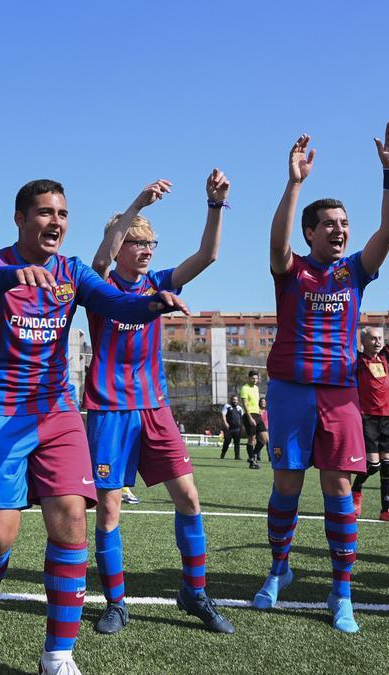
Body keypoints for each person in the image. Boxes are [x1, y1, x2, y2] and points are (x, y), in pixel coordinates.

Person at [0, 178, 188, 674]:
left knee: (71, 524)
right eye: (44, 213)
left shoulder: (73, 271)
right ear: (19, 219)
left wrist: (153, 303)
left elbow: (115, 302)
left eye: (61, 214)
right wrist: (17, 277)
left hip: (56, 411)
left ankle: (57, 654)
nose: (55, 222)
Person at [253, 124, 389, 634]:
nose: (340, 230)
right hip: (290, 392)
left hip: (341, 395)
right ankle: (279, 569)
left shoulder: (354, 274)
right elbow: (275, 240)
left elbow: (388, 232)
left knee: (339, 487)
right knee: (286, 486)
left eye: (344, 223)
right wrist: (293, 181)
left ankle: (341, 591)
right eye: (330, 224)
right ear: (311, 233)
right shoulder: (291, 269)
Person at [83, 172, 234, 636]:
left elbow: (207, 256)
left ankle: (194, 591)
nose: (147, 249)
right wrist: (135, 205)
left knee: (188, 497)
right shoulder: (98, 285)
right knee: (109, 510)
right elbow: (102, 254)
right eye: (138, 241)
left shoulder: (161, 282)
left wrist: (213, 206)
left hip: (155, 407)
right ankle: (115, 602)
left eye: (151, 242)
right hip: (109, 410)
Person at [350, 283, 389, 524]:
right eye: (373, 339)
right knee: (372, 465)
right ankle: (356, 491)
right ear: (363, 341)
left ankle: (386, 510)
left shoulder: (385, 356)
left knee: (387, 463)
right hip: (367, 417)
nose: (377, 342)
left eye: (379, 338)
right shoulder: (357, 360)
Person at [239, 371, 262, 466]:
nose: (255, 380)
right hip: (250, 415)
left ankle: (253, 455)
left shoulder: (256, 388)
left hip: (257, 414)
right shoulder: (245, 388)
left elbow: (256, 402)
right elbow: (245, 404)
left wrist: (260, 411)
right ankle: (252, 461)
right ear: (249, 378)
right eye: (253, 378)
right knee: (251, 439)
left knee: (265, 439)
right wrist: (250, 418)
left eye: (256, 378)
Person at [220, 395, 245, 460]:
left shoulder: (240, 408)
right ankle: (223, 454)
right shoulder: (227, 406)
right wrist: (225, 423)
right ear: (231, 400)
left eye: (236, 400)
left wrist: (243, 426)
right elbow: (223, 414)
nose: (235, 401)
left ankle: (237, 456)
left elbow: (243, 418)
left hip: (237, 429)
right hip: (229, 428)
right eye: (234, 400)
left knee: (237, 443)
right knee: (227, 441)